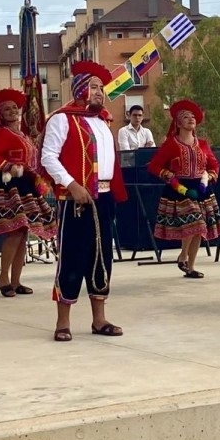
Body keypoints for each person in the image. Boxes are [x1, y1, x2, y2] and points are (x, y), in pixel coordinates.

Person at [40, 61, 128, 342]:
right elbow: (48, 157)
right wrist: (72, 185)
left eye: (102, 88)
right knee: (72, 258)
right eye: (94, 87)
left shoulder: (103, 122)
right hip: (74, 199)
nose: (100, 92)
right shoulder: (62, 119)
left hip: (103, 198)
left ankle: (99, 320)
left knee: (102, 258)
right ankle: (62, 322)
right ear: (80, 89)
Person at [0, 88, 57, 297]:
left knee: (23, 232)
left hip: (25, 184)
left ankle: (16, 281)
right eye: (7, 109)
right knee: (15, 230)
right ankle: (4, 277)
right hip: (8, 185)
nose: (12, 111)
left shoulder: (22, 134)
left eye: (15, 108)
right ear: (0, 112)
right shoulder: (1, 133)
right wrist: (8, 166)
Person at [147, 99, 220, 279]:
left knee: (199, 228)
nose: (191, 119)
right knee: (196, 223)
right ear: (178, 122)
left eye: (193, 117)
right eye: (186, 117)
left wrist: (209, 177)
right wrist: (169, 177)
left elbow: (214, 165)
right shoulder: (171, 144)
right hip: (179, 189)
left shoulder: (202, 144)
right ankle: (183, 255)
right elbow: (154, 166)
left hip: (201, 188)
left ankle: (190, 265)